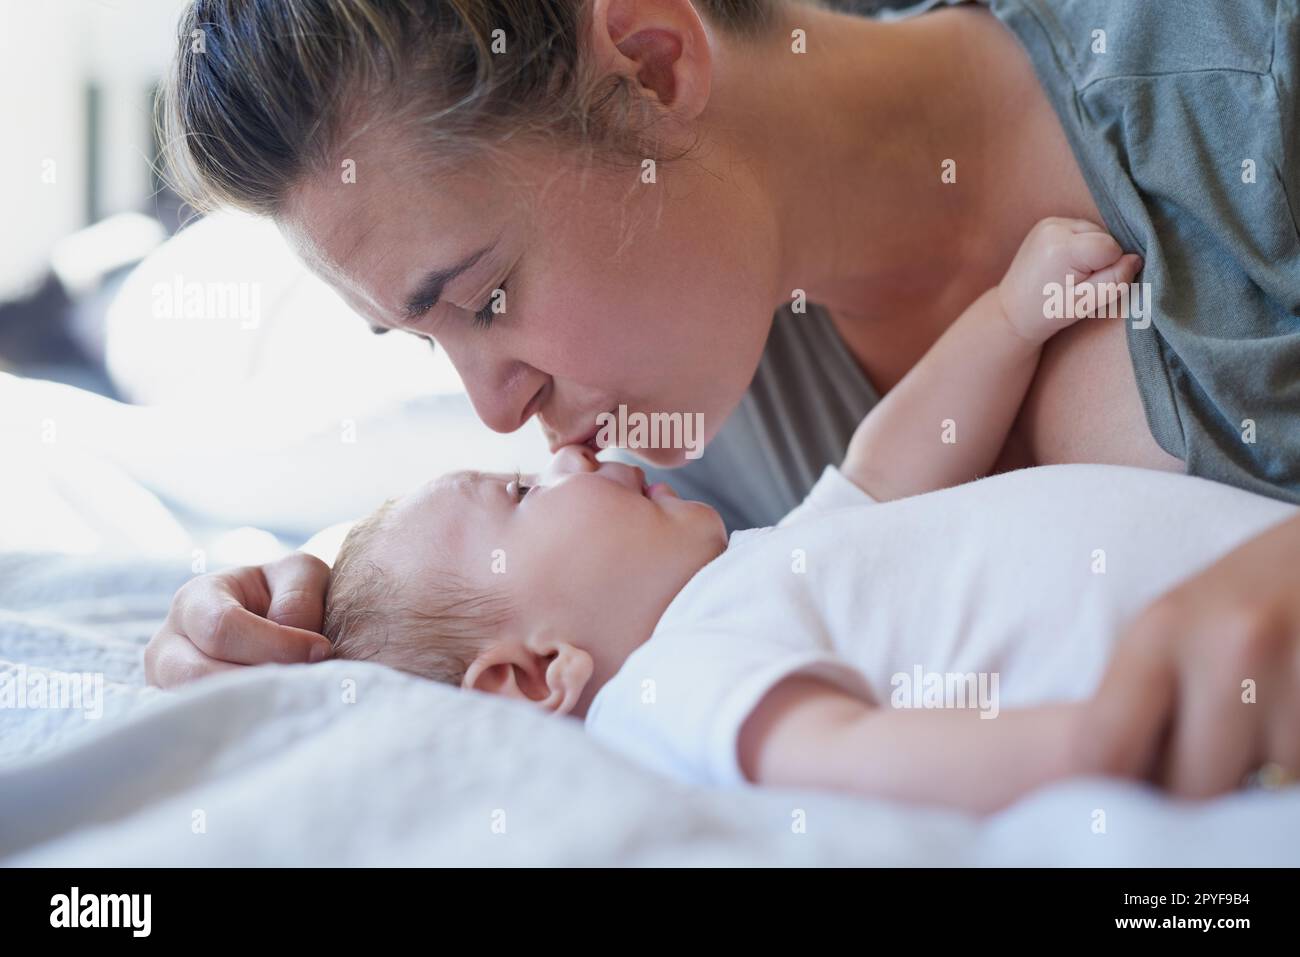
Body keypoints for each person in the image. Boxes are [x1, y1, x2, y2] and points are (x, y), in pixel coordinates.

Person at [146, 0, 1300, 792]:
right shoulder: (681, 430)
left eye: (486, 298)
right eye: (418, 339)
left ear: (653, 63)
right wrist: (318, 625)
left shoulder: (1250, 112)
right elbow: (528, 611)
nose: (497, 414)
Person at [314, 219, 1291, 810]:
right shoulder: (669, 685)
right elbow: (845, 758)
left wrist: (1008, 319)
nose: (563, 453)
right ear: (535, 678)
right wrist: (1088, 745)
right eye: (520, 495)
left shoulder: (750, 582)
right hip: (1209, 703)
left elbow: (888, 462)